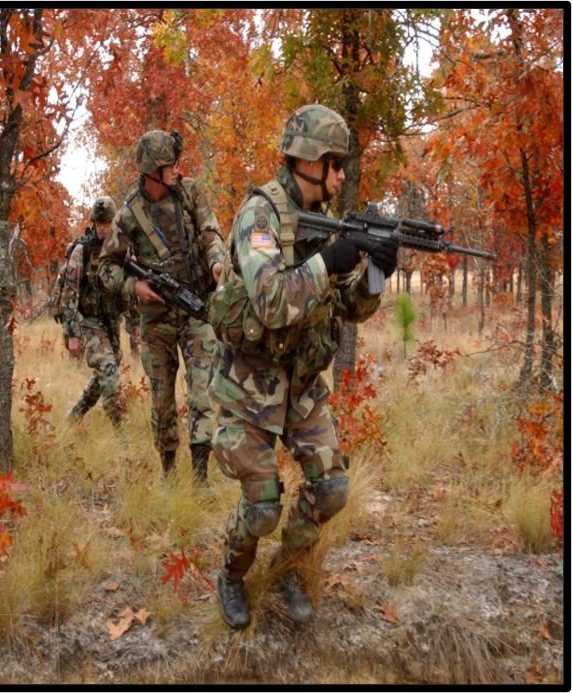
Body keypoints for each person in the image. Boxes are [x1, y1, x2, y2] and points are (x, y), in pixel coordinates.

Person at [207, 104, 399, 629]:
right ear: (309, 161)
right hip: (249, 384)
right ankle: (231, 574)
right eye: (335, 164)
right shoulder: (260, 217)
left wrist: (373, 275)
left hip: (300, 384)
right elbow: (270, 301)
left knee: (332, 487)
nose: (340, 176)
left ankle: (289, 569)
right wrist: (332, 260)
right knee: (263, 505)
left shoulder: (326, 223)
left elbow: (347, 308)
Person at [98, 129, 225, 483]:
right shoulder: (128, 214)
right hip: (156, 321)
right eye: (170, 166)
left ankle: (199, 479)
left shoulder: (190, 193)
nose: (177, 171)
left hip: (197, 308)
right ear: (152, 171)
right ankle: (169, 475)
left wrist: (217, 263)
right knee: (163, 401)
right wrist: (133, 285)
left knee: (203, 391)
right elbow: (105, 266)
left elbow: (211, 233)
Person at [60, 196, 126, 427]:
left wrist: (135, 325)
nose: (103, 229)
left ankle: (75, 415)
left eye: (107, 224)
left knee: (106, 371)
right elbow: (69, 293)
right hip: (88, 321)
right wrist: (72, 334)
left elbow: (130, 287)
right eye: (99, 224)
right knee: (108, 371)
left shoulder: (120, 249)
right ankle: (122, 435)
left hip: (111, 320)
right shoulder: (82, 250)